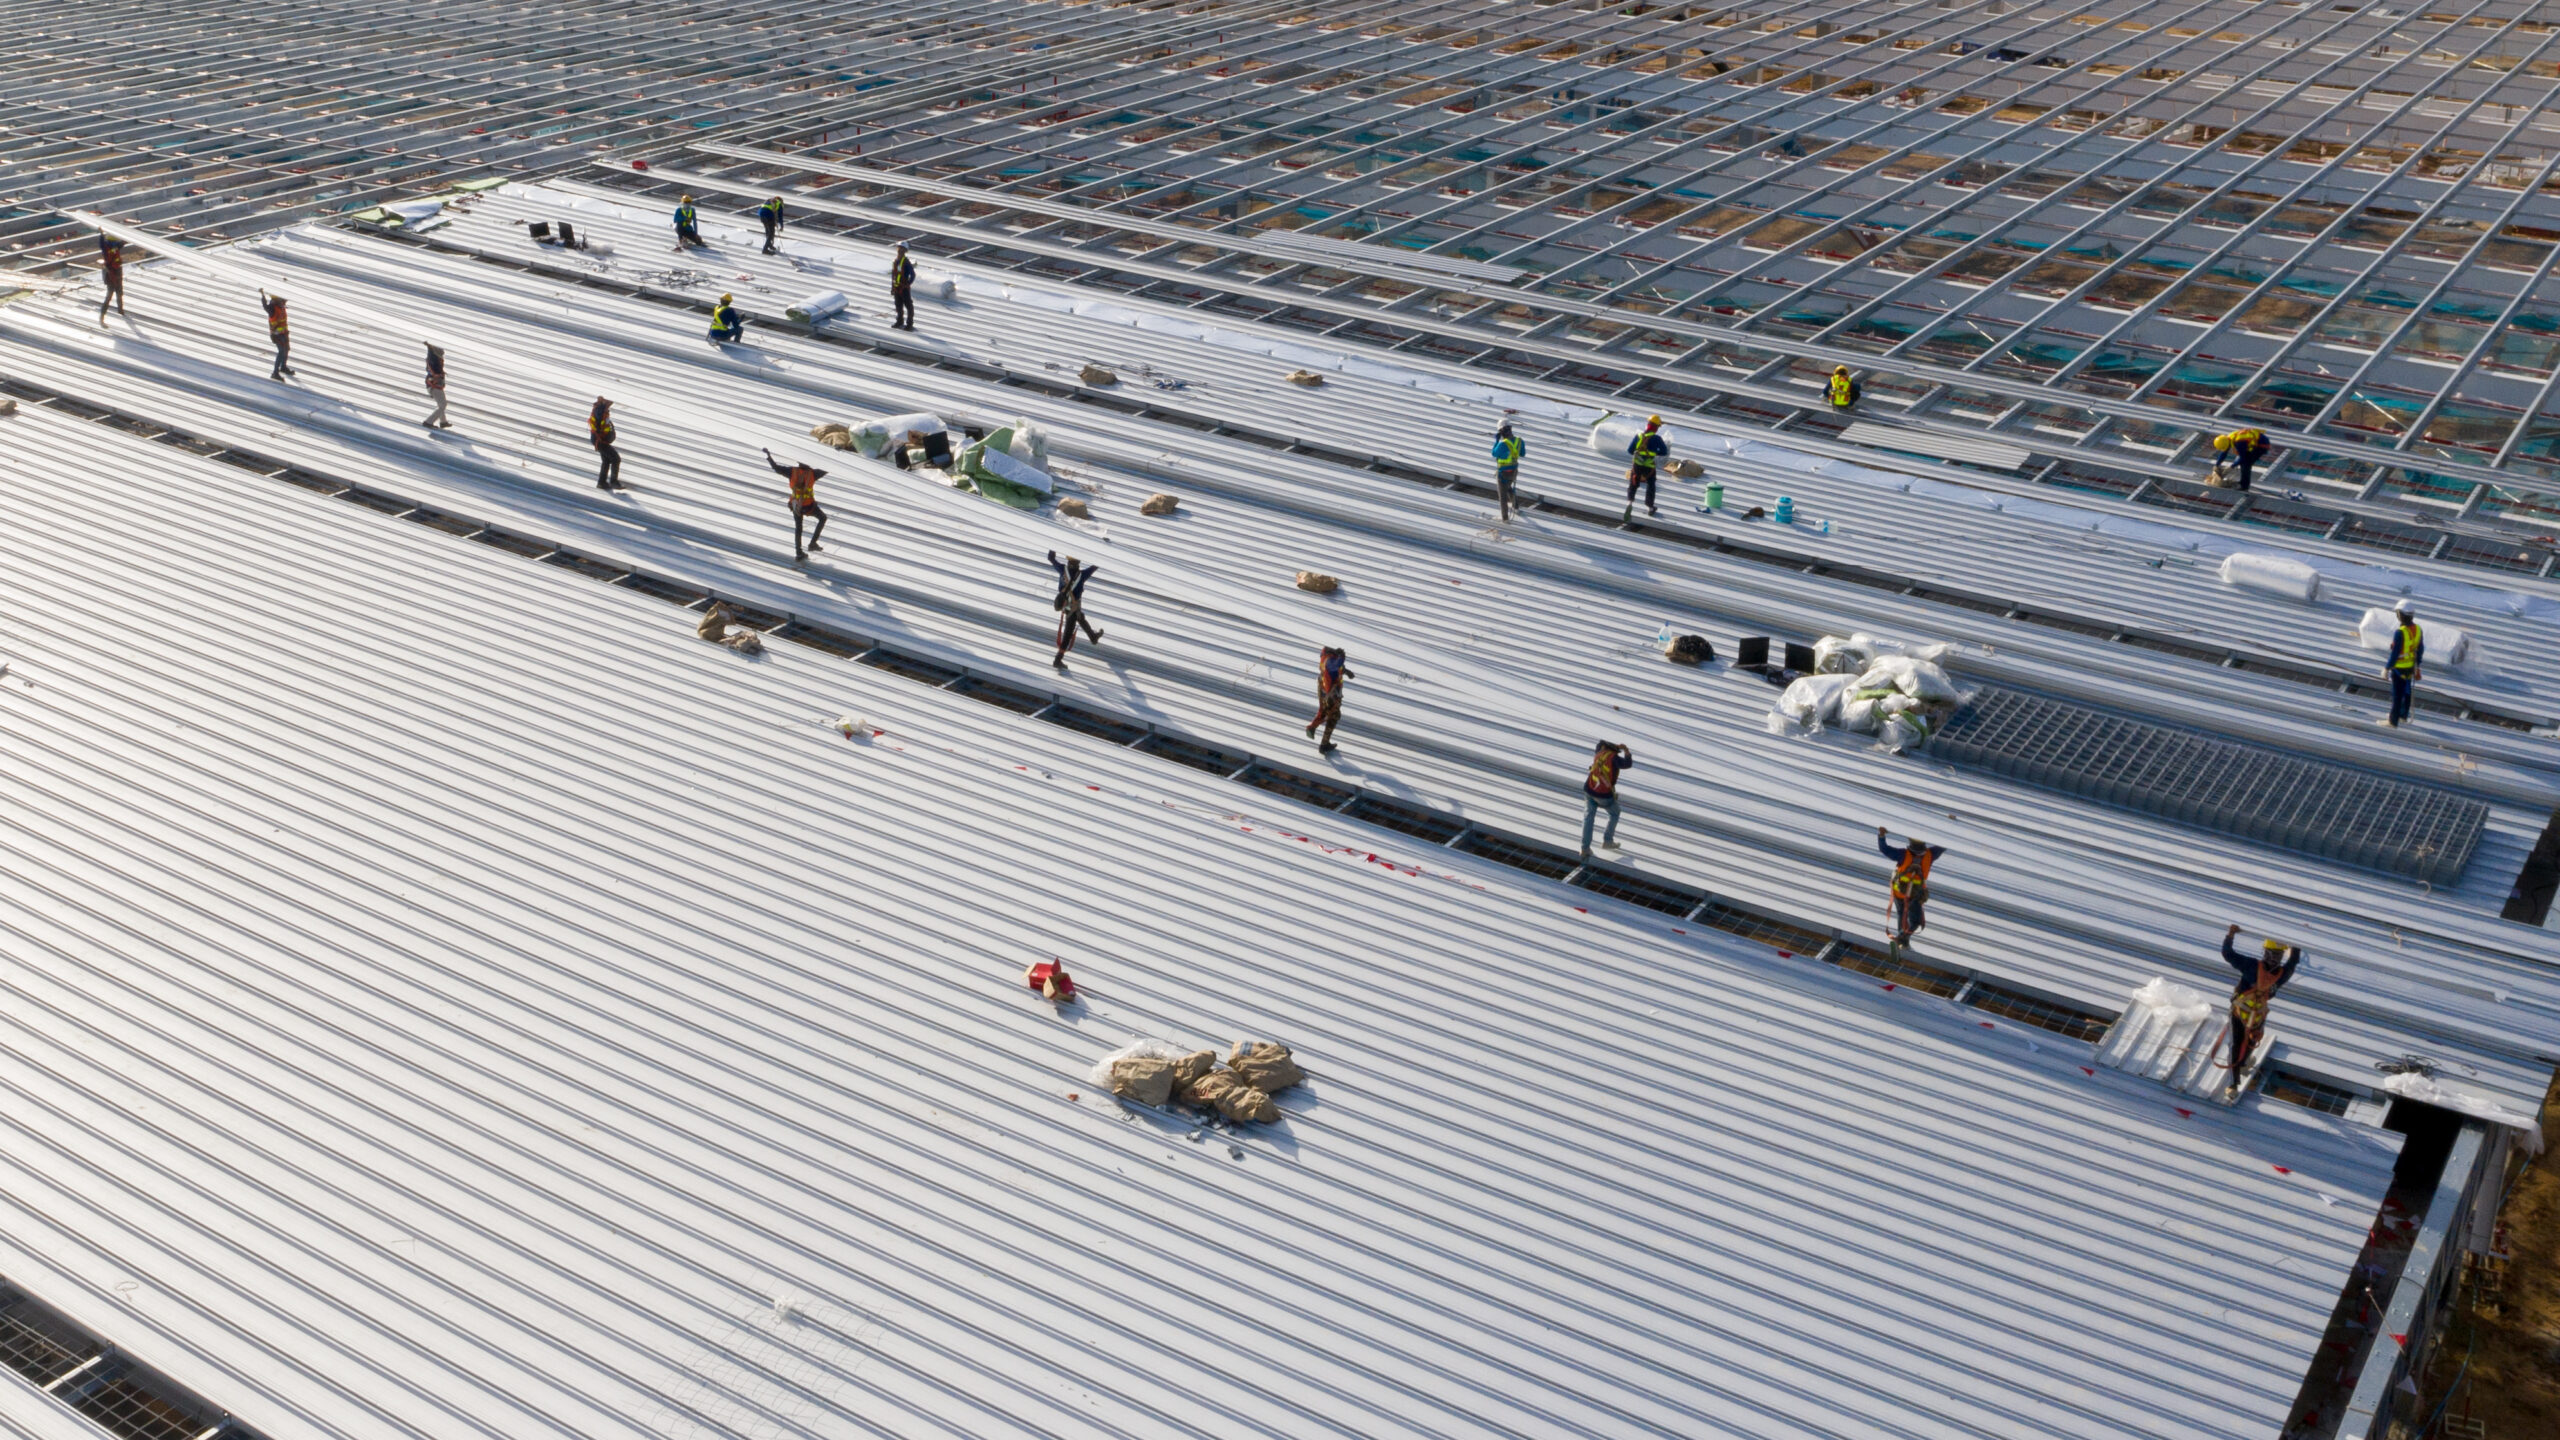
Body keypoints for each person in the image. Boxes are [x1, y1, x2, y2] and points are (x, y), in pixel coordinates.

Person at [2220, 924, 2303, 1097]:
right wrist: (2230, 935)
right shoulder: (2251, 966)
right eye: (2271, 954)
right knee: (2235, 1045)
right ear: (2265, 953)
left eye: (2277, 955)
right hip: (2240, 1012)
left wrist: (2297, 943)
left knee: (2250, 1043)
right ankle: (2233, 1083)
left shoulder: (2280, 974)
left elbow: (2293, 962)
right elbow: (2228, 954)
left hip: (2257, 1015)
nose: (2273, 958)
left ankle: (2243, 1063)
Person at [1876, 827, 1945, 953]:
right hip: (1914, 895)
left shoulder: (1903, 855)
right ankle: (1903, 938)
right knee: (1915, 921)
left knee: (1902, 915)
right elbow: (1943, 845)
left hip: (1900, 893)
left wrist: (1881, 835)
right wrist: (1948, 825)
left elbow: (1884, 849)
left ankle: (1902, 939)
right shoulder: (1930, 855)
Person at [765, 447, 828, 561]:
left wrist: (769, 456)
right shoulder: (813, 474)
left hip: (795, 505)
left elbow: (776, 468)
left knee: (798, 528)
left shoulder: (791, 471)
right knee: (822, 518)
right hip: (809, 506)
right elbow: (827, 468)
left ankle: (799, 553)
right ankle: (813, 543)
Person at [1579, 741, 1633, 859]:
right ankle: (1607, 841)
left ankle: (1585, 848)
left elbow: (1599, 743)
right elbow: (1627, 764)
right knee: (1615, 812)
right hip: (1603, 795)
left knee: (1588, 818)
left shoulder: (1599, 752)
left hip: (1589, 790)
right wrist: (1626, 751)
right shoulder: (1614, 758)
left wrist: (1616, 746)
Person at [1048, 550, 1103, 668]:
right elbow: (1095, 566)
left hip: (1067, 607)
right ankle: (1058, 660)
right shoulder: (1082, 575)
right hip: (1073, 608)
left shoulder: (1062, 569)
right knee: (1067, 635)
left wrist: (1053, 546)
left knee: (1081, 618)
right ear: (1078, 563)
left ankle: (1093, 637)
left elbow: (1050, 558)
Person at [1306, 646, 1353, 751]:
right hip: (1331, 693)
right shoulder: (1331, 661)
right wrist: (1342, 656)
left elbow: (1336, 669)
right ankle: (1324, 744)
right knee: (1333, 716)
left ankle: (1313, 728)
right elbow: (1335, 665)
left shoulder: (1326, 657)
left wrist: (1347, 672)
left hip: (1324, 689)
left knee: (1324, 711)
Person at [2385, 601, 2422, 727]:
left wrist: (2387, 667)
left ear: (2400, 615)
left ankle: (2392, 721)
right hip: (2410, 668)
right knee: (2406, 693)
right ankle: (2403, 716)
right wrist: (2418, 666)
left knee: (2397, 695)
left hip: (2399, 669)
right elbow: (2420, 649)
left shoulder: (2400, 633)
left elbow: (2395, 653)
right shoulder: (2417, 630)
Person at [1625, 416, 1667, 520]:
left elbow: (1630, 451)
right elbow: (1664, 452)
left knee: (1634, 482)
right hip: (1649, 466)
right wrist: (1654, 452)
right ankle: (1650, 507)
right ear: (1656, 428)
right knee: (1651, 485)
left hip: (1637, 465)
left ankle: (1630, 502)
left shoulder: (1638, 436)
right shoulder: (1657, 439)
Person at [1491, 422, 1525, 522]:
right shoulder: (1519, 441)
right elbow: (1522, 454)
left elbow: (1494, 453)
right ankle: (1516, 507)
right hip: (1514, 471)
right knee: (1509, 487)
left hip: (1503, 472)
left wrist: (1497, 440)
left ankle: (1505, 518)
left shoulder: (1502, 444)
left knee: (1502, 496)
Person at [257, 289, 295, 379]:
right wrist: (262, 296)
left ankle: (283, 367)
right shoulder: (272, 308)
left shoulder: (280, 306)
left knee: (287, 349)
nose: (283, 300)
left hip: (284, 333)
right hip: (277, 335)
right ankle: (275, 373)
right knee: (281, 351)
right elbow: (265, 306)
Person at [589, 397, 624, 491]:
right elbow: (599, 426)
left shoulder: (601, 410)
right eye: (609, 402)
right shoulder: (600, 411)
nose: (610, 403)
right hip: (601, 441)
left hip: (601, 441)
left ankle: (602, 482)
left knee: (606, 461)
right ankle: (613, 482)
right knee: (616, 459)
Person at [889, 241, 917, 331]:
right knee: (898, 305)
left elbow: (913, 275)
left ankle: (909, 324)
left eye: (902, 249)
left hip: (904, 289)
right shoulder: (895, 261)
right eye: (898, 248)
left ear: (905, 251)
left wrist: (907, 284)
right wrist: (892, 287)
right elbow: (894, 275)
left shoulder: (906, 262)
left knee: (908, 306)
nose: (899, 250)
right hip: (897, 288)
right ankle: (899, 321)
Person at [97, 236, 125, 323]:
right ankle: (102, 315)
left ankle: (120, 310)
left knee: (119, 293)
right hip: (111, 274)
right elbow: (102, 244)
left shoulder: (114, 247)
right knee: (110, 296)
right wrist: (101, 235)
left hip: (116, 273)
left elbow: (121, 243)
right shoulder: (107, 249)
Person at [421, 343, 449, 429]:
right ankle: (428, 422)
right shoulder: (435, 361)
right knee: (442, 405)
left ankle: (443, 422)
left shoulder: (433, 360)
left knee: (441, 404)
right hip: (435, 386)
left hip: (434, 386)